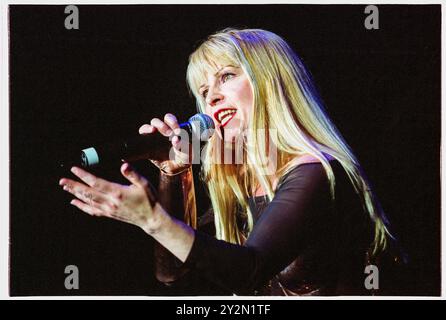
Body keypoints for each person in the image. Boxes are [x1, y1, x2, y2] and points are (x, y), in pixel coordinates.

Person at [59, 28, 404, 296]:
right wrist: (173, 172)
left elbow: (250, 268)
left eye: (226, 76)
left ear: (271, 81)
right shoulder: (239, 179)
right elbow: (171, 273)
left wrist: (153, 220)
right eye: (204, 90)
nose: (213, 96)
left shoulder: (317, 171)